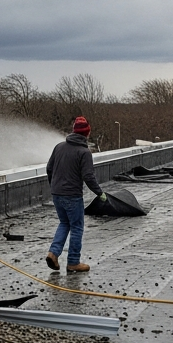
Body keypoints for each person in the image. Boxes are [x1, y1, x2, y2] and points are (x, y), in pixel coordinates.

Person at [45, 116, 105, 273]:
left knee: (64, 223)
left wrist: (54, 186)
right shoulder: (84, 152)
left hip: (57, 194)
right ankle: (73, 262)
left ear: (74, 131)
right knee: (77, 227)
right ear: (87, 133)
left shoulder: (59, 147)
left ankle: (53, 253)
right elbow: (88, 176)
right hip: (72, 195)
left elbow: (49, 169)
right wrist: (99, 193)